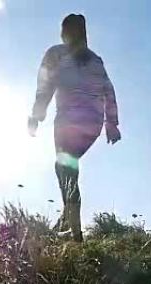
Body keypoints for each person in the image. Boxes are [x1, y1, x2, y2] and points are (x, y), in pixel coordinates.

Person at [28, 14, 121, 242]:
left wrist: (36, 116)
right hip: (93, 123)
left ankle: (75, 232)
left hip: (68, 121)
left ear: (64, 32)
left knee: (66, 168)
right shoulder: (96, 60)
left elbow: (45, 86)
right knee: (68, 167)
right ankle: (69, 219)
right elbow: (108, 90)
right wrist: (111, 123)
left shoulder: (56, 54)